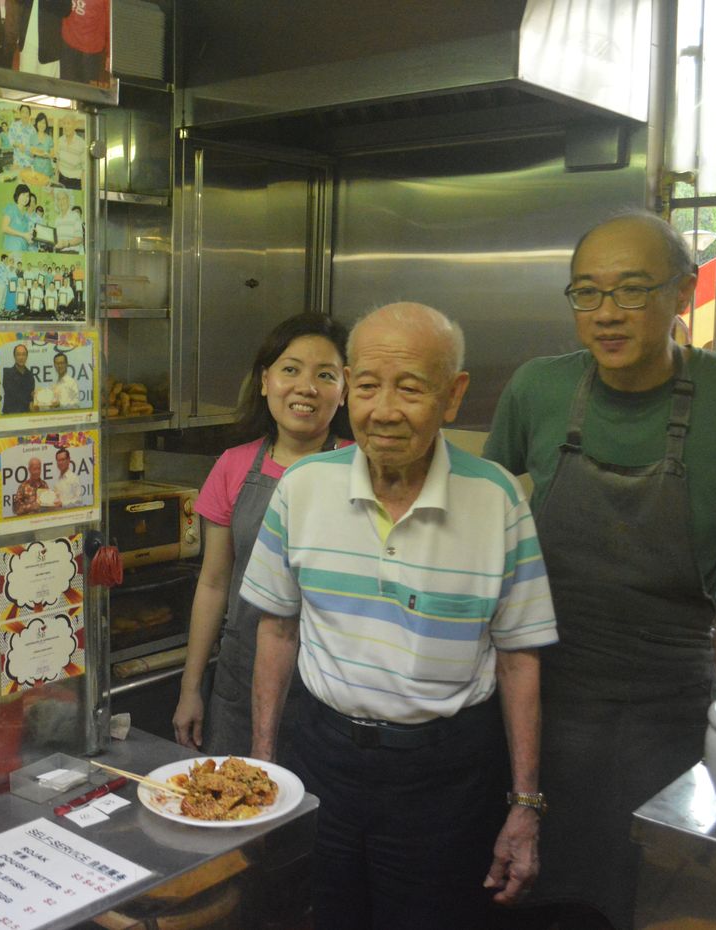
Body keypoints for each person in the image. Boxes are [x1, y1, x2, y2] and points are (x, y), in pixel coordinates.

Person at [483, 211, 716, 929]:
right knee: (527, 887)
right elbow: (484, 501)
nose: (606, 314)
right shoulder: (538, 389)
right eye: (586, 292)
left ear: (685, 292)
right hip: (542, 686)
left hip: (666, 698)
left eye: (633, 290)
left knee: (651, 886)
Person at [244, 303, 557, 929]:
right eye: (366, 386)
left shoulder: (496, 500)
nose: (384, 410)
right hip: (322, 756)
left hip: (443, 775)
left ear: (453, 395)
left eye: (410, 388)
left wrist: (525, 805)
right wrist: (265, 767)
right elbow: (277, 630)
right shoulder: (302, 488)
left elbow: (520, 657)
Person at [172, 313, 352, 756]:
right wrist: (191, 687)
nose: (306, 387)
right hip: (241, 675)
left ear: (345, 390)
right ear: (265, 381)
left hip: (334, 685)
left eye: (325, 375)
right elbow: (214, 583)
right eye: (290, 369)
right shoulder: (233, 465)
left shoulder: (362, 469)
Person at [59, 0, 107, 84]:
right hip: (69, 42)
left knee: (88, 92)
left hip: (92, 49)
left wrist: (110, 55)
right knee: (67, 89)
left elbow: (111, 20)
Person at [2, 343, 37, 414]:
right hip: (10, 415)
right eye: (18, 354)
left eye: (24, 354)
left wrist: (35, 397)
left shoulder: (30, 375)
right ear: (14, 356)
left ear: (27, 356)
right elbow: (14, 395)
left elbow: (31, 399)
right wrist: (30, 396)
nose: (21, 357)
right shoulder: (7, 373)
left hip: (26, 417)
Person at [1, 185, 35, 252]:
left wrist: (30, 238)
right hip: (11, 249)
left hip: (24, 250)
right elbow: (4, 228)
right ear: (17, 195)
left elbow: (26, 237)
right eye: (23, 194)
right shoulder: (11, 208)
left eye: (27, 196)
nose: (25, 198)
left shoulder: (26, 217)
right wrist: (24, 235)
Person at [56, 121, 84, 190]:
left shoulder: (82, 143)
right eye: (64, 123)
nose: (66, 126)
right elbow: (57, 161)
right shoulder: (60, 140)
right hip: (61, 180)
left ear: (74, 125)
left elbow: (84, 169)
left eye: (68, 123)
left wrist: (83, 189)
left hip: (75, 182)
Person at [30, 112, 54, 182]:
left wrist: (38, 152)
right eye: (40, 122)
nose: (41, 125)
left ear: (46, 125)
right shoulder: (32, 137)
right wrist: (43, 153)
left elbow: (52, 155)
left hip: (47, 170)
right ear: (36, 123)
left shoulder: (49, 138)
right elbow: (31, 153)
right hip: (36, 169)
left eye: (44, 123)